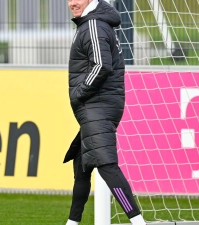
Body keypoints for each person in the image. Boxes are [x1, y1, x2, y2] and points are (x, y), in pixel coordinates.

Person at [63, 0, 146, 225]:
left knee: (106, 166)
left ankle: (138, 221)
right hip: (100, 104)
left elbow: (101, 66)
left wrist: (78, 93)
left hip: (96, 105)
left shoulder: (93, 25)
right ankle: (72, 222)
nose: (72, 3)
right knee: (81, 165)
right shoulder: (95, 22)